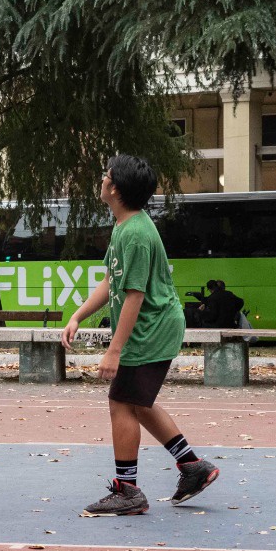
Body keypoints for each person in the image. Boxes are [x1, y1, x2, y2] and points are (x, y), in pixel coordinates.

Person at [62, 155, 220, 514]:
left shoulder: (134, 233)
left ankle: (128, 490)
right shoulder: (125, 225)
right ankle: (193, 467)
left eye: (106, 175)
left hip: (152, 329)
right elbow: (111, 281)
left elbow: (134, 295)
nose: (102, 179)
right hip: (153, 327)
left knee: (121, 401)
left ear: (114, 189)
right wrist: (78, 316)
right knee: (136, 401)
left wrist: (113, 351)